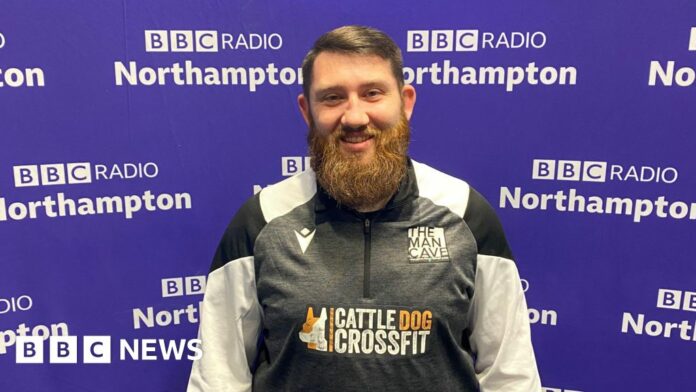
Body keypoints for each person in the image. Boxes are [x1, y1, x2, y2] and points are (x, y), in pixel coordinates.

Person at [188, 25, 541, 391]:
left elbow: (511, 376)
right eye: (332, 97)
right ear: (306, 111)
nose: (354, 117)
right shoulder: (261, 219)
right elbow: (217, 377)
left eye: (372, 93)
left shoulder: (466, 214)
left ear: (405, 102)